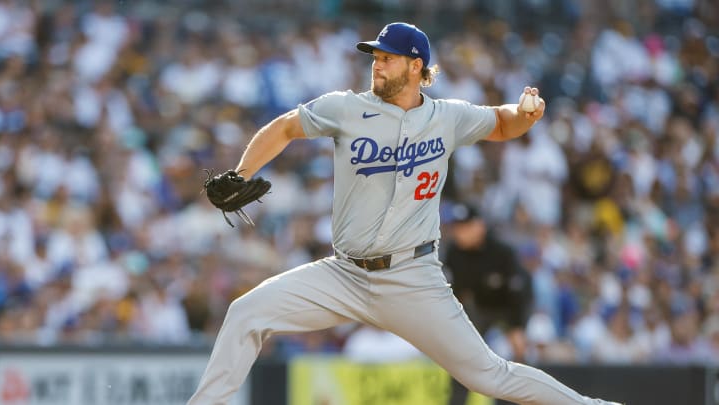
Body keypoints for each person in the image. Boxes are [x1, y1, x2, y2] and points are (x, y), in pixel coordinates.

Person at [187, 22, 622, 405]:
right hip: (344, 275)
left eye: (387, 58)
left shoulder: (446, 116)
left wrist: (526, 114)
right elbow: (284, 127)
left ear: (416, 66)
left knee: (487, 375)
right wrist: (241, 172)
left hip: (412, 277)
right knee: (246, 312)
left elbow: (503, 123)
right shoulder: (347, 107)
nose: (376, 64)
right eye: (375, 57)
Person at [443, 202, 533, 405]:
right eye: (457, 227)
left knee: (515, 355)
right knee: (462, 357)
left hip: (509, 309)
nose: (459, 232)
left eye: (464, 227)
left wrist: (517, 327)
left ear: (479, 226)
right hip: (479, 309)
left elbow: (518, 292)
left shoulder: (502, 252)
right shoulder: (454, 253)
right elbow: (452, 291)